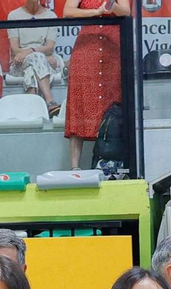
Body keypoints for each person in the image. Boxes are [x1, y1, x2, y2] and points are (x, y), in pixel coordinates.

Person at [61, 0, 127, 169]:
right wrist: (96, 12)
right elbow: (68, 11)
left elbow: (126, 12)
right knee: (80, 104)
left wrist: (111, 6)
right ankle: (75, 167)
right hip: (86, 49)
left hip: (112, 48)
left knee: (114, 103)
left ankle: (116, 164)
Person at [8, 0, 63, 117]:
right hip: (19, 63)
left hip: (44, 61)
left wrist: (31, 51)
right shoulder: (13, 15)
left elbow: (50, 47)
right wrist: (39, 55)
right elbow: (15, 49)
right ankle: (50, 102)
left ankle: (32, 111)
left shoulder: (51, 16)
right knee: (37, 58)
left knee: (32, 69)